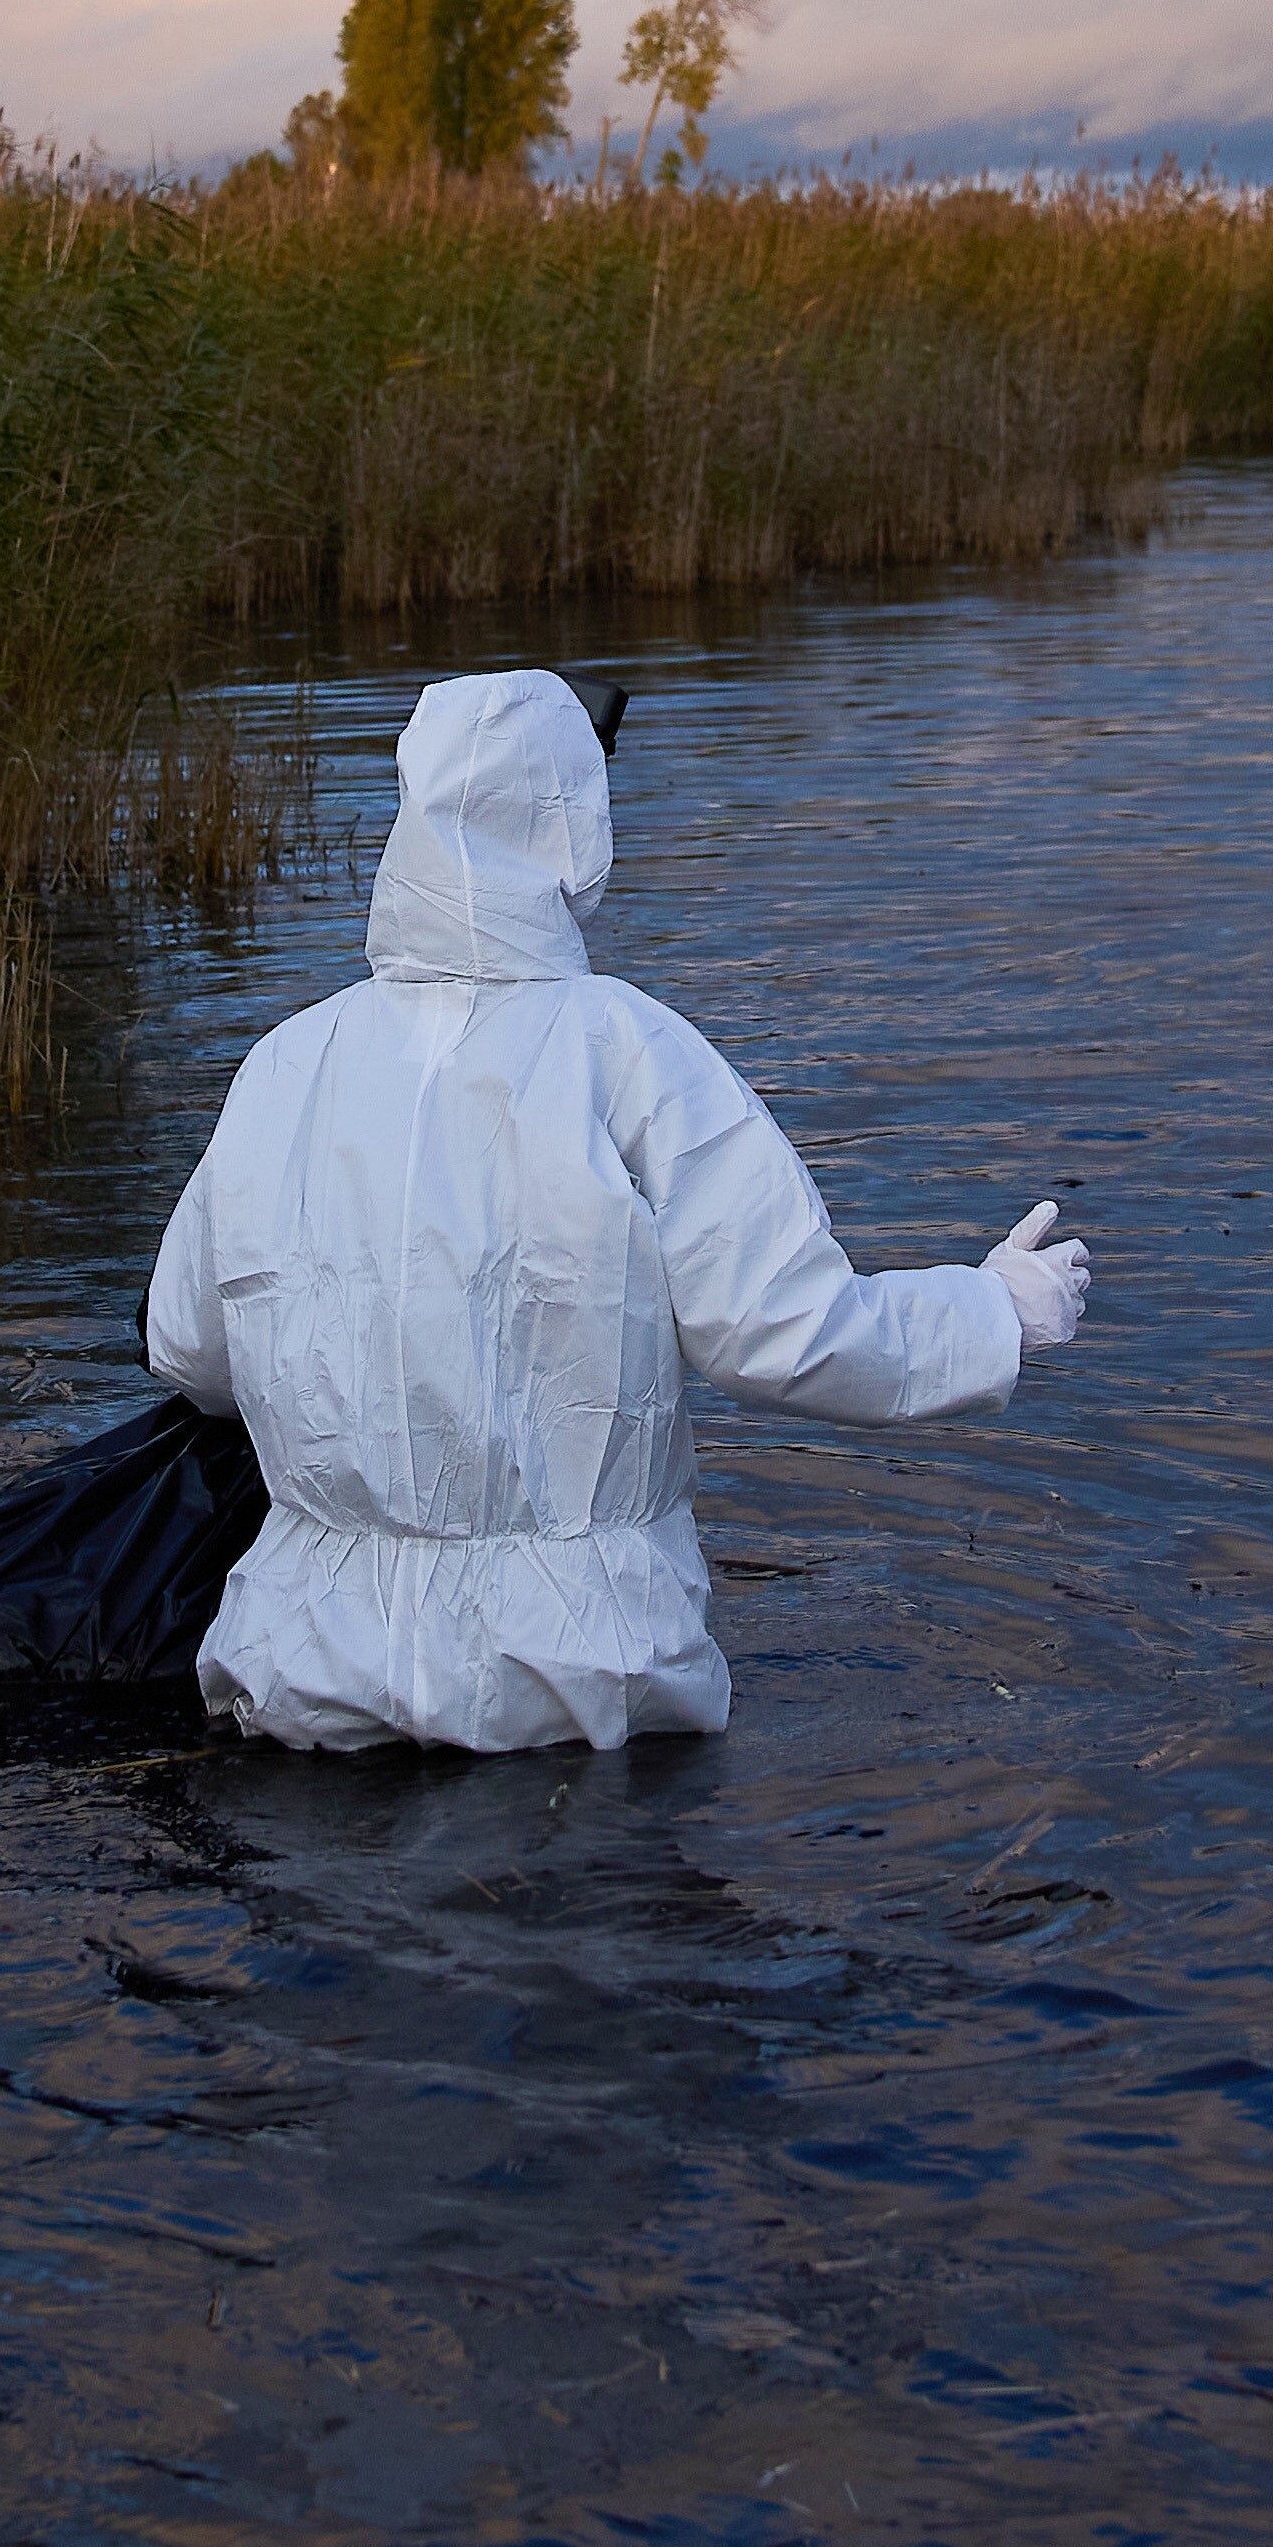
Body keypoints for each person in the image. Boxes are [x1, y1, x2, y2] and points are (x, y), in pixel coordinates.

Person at [150, 667, 1088, 1751]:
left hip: (301, 1679)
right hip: (579, 1682)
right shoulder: (631, 1052)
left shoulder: (284, 1063)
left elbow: (187, 1345)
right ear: (578, 827)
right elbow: (780, 1330)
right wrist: (990, 1311)